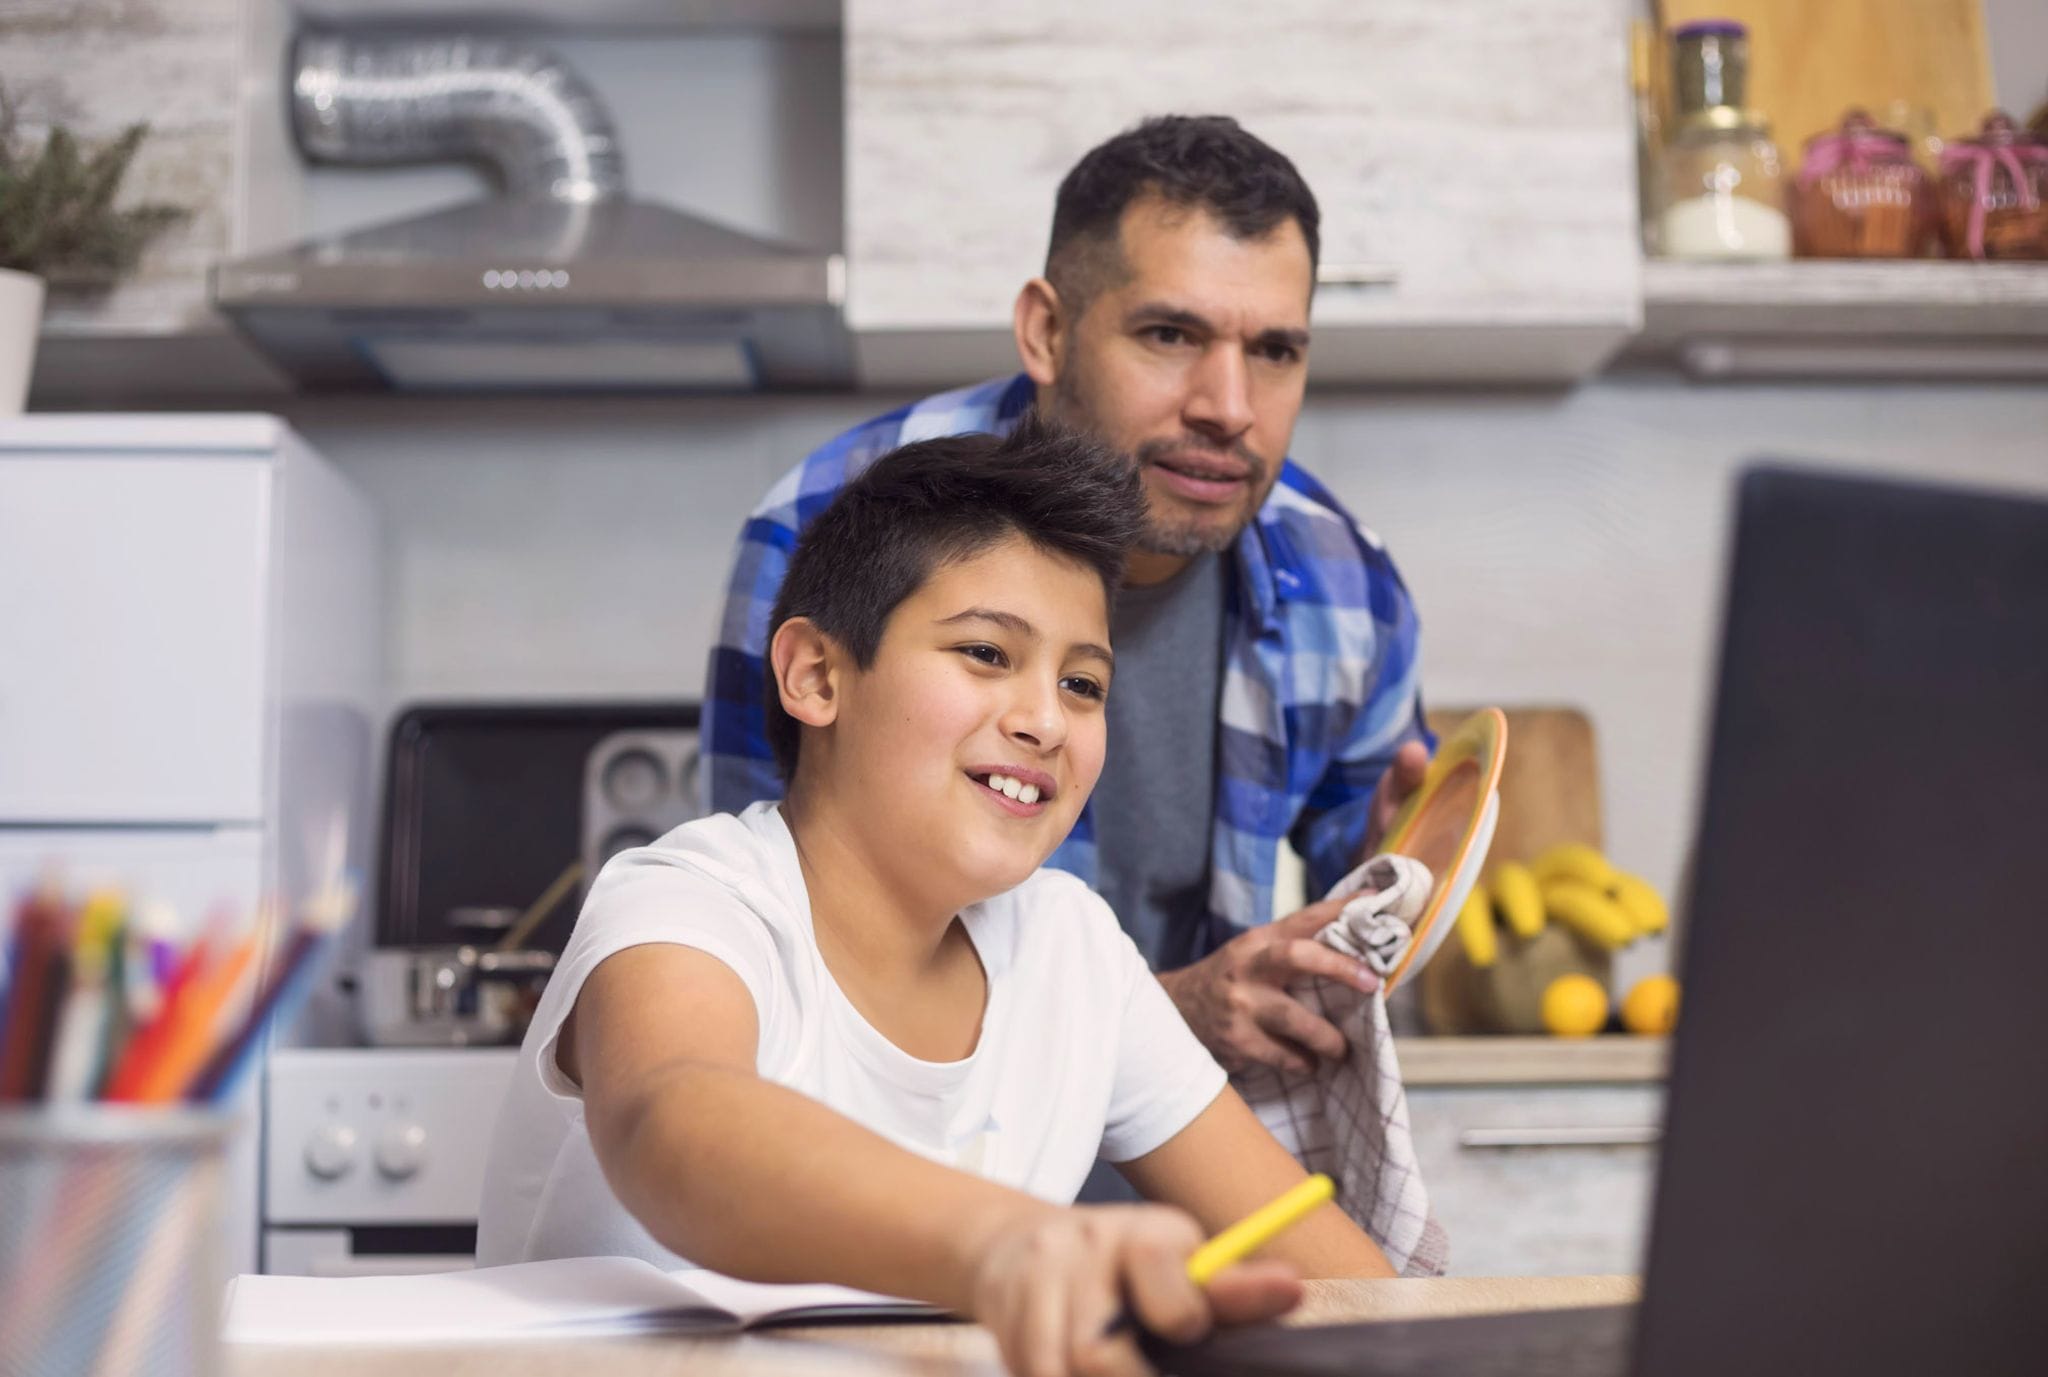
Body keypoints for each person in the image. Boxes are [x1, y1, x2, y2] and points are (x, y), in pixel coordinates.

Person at [477, 422, 1394, 1377]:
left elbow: (1351, 1290)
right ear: (817, 674)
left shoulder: (1071, 946)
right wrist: (998, 1242)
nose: (1045, 719)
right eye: (988, 654)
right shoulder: (688, 904)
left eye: (1082, 683)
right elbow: (675, 1126)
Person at [703, 115, 1432, 1078]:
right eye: (1171, 334)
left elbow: (1358, 931)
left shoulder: (1351, 588)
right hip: (909, 1179)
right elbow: (773, 946)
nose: (1230, 405)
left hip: (1194, 1181)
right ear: (1047, 331)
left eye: (1276, 351)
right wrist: (1164, 1017)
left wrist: (1407, 873)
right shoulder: (824, 528)